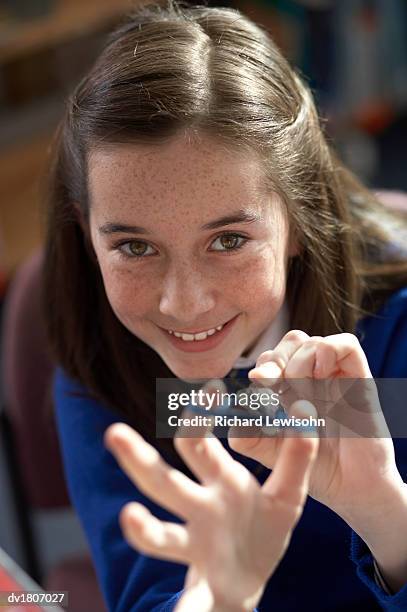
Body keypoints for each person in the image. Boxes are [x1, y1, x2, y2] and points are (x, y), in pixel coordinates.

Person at [43, 1, 407, 610]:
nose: (184, 304)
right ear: (86, 232)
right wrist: (217, 597)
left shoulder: (396, 326)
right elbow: (146, 593)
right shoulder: (100, 356)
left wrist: (387, 518)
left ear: (296, 220)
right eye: (135, 246)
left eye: (229, 241)